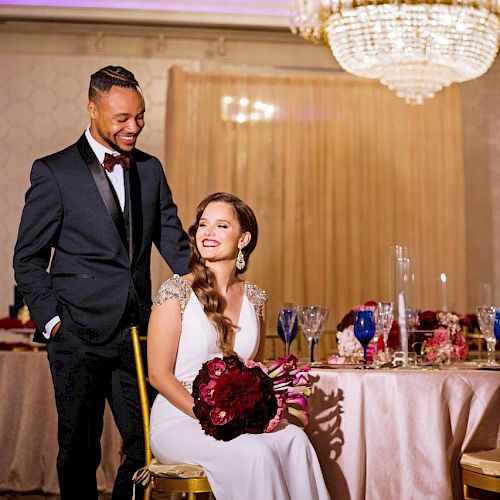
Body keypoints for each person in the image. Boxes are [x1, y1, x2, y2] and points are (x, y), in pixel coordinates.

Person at [13, 65, 191, 500]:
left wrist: (218, 285)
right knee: (78, 449)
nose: (135, 127)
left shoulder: (150, 170)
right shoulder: (54, 172)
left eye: (140, 116)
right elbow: (28, 259)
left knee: (146, 444)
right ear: (92, 110)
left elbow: (176, 245)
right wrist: (53, 322)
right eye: (122, 119)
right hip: (76, 333)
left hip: (136, 332)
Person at [147, 192, 331, 500]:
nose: (208, 233)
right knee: (255, 454)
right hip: (180, 418)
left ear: (243, 239)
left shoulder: (255, 298)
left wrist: (257, 413)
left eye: (221, 226)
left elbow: (253, 372)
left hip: (235, 416)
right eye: (203, 224)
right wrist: (213, 416)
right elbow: (158, 375)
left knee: (295, 441)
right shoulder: (176, 292)